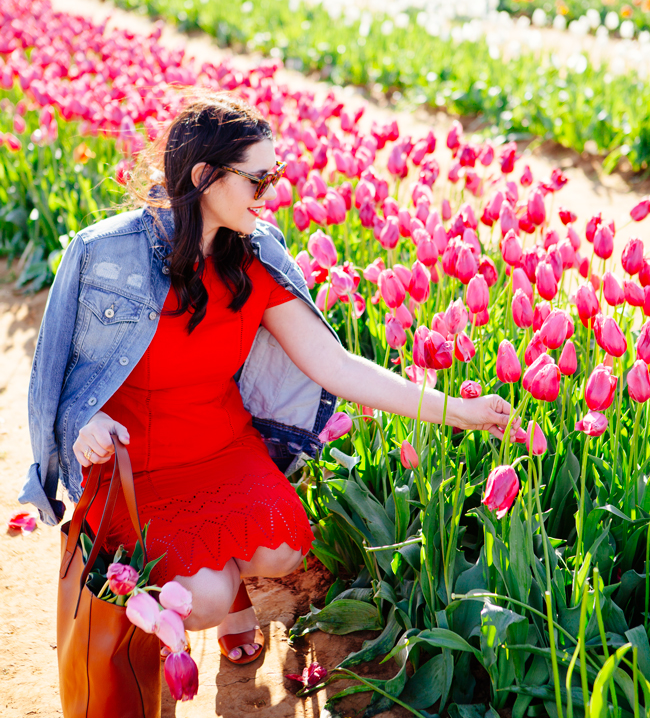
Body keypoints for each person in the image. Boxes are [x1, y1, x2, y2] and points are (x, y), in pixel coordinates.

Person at [20, 92, 515, 663]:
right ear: (205, 176)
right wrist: (84, 420)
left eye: (274, 176)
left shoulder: (254, 256)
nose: (271, 192)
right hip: (136, 464)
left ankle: (218, 591)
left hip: (219, 445)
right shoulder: (105, 253)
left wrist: (459, 410)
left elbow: (335, 365)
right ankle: (190, 612)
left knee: (283, 548)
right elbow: (53, 373)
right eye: (259, 179)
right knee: (199, 598)